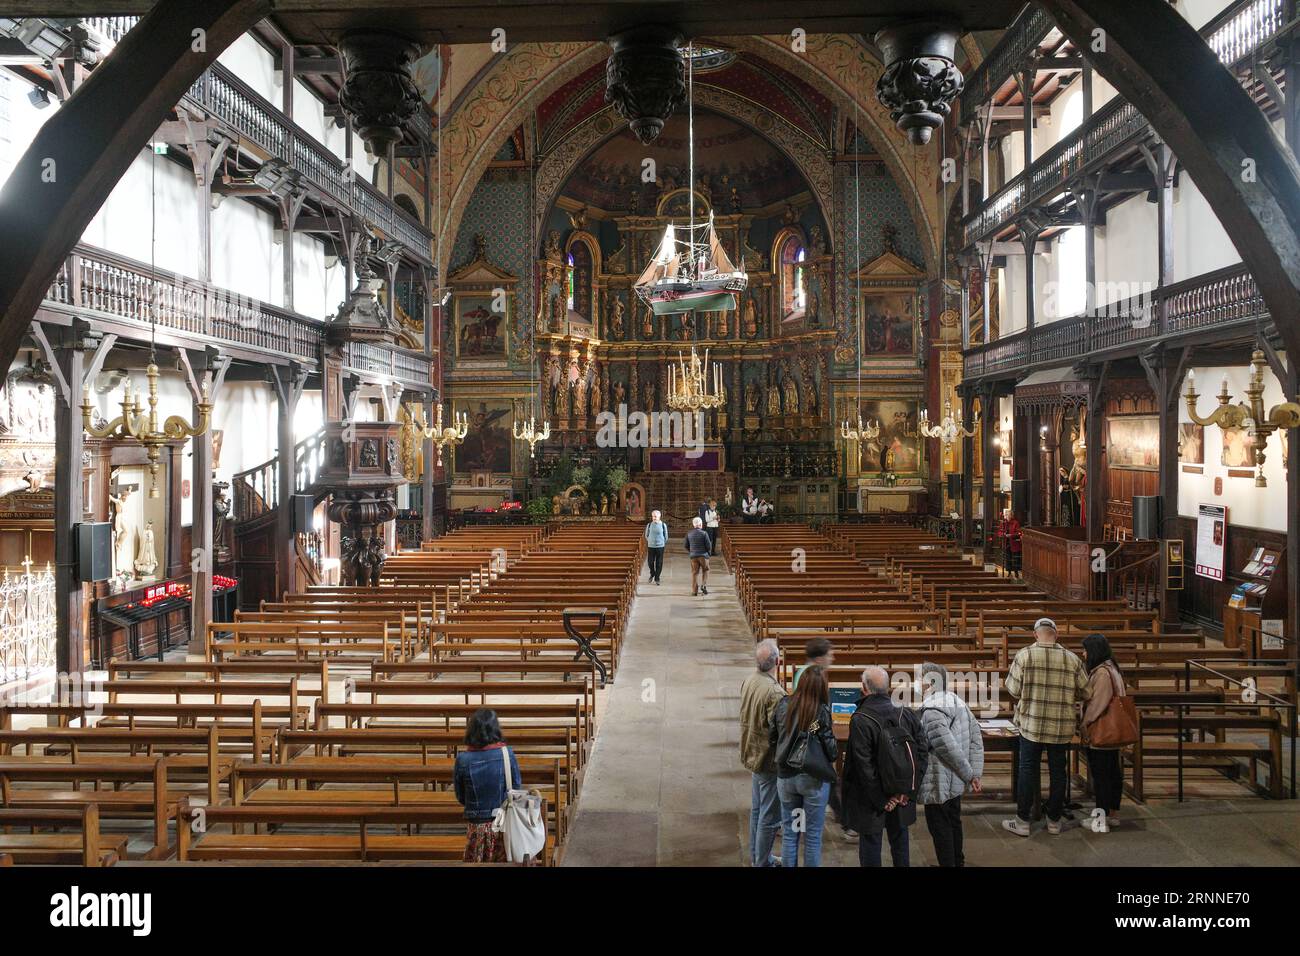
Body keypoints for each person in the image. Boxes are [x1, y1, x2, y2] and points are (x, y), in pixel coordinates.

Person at [1002, 618, 1089, 837]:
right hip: (1060, 726)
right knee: (1058, 773)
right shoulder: (1072, 659)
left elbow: (1012, 689)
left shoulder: (1025, 656)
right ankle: (1054, 821)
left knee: (1027, 771)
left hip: (1031, 723)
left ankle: (1022, 821)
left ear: (1035, 635)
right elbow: (1087, 692)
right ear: (1056, 634)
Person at [842, 666, 928, 867]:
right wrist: (908, 792)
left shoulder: (861, 719)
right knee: (900, 844)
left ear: (864, 688)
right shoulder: (906, 713)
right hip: (901, 796)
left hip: (872, 800)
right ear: (888, 688)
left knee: (871, 845)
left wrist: (883, 800)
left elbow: (864, 767)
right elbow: (922, 753)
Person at [916, 661, 984, 867]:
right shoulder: (957, 701)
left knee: (940, 826)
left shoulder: (931, 711)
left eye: (919, 679)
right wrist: (974, 773)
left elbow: (947, 747)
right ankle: (957, 861)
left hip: (939, 779)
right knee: (953, 820)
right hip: (955, 779)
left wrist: (970, 774)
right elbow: (976, 739)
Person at [770, 664, 838, 867]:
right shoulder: (821, 711)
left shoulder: (784, 705)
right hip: (813, 779)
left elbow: (773, 737)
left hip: (786, 777)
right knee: (813, 837)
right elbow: (832, 751)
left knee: (791, 834)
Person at [453, 707, 523, 863]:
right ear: (496, 729)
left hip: (477, 827)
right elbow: (516, 788)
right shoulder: (507, 754)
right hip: (505, 825)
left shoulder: (463, 759)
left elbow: (461, 796)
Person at [740, 638, 786, 867]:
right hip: (768, 760)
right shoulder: (775, 693)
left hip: (751, 752)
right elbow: (780, 731)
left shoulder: (750, 680)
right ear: (777, 661)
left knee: (757, 811)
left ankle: (759, 857)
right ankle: (762, 863)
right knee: (769, 817)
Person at [1081, 633, 1127, 831]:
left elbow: (1098, 703)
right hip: (1113, 730)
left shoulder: (1101, 673)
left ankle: (1101, 819)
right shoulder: (1112, 668)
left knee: (1101, 776)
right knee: (1112, 772)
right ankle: (1113, 813)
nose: (1083, 654)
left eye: (1085, 650)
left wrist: (1085, 722)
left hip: (1102, 729)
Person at [685, 516, 712, 596]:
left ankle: (694, 591)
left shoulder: (689, 534)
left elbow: (686, 545)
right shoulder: (704, 533)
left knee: (694, 573)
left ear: (694, 525)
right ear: (700, 524)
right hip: (703, 556)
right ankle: (703, 585)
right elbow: (709, 546)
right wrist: (708, 554)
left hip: (693, 556)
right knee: (706, 570)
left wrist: (691, 551)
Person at [643, 509, 667, 585]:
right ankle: (652, 573)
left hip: (660, 546)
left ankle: (657, 578)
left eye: (655, 516)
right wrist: (650, 541)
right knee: (650, 562)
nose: (654, 518)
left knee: (659, 563)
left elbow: (666, 536)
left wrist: (661, 543)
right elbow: (646, 535)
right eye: (653, 516)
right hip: (651, 546)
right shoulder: (649, 525)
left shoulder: (663, 525)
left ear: (659, 517)